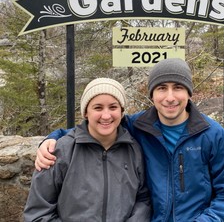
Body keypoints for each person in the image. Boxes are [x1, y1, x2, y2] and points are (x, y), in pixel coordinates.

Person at [35, 58, 224, 221]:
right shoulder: (137, 126)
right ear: (152, 94)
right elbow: (94, 128)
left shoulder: (214, 135)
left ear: (189, 92)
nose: (170, 97)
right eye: (162, 88)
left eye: (178, 87)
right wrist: (51, 139)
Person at [24, 78, 151, 222]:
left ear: (122, 112)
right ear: (85, 112)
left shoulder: (134, 150)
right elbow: (38, 213)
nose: (106, 115)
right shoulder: (61, 151)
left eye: (113, 107)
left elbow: (143, 199)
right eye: (98, 108)